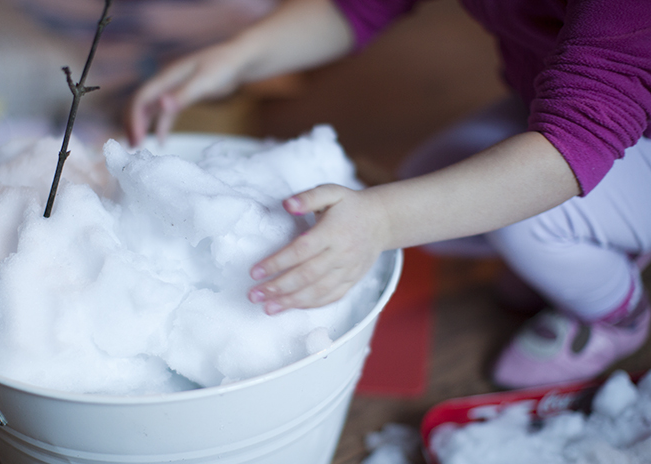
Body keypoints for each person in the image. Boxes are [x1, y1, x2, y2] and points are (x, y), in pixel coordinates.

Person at [124, 0, 651, 389]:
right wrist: (239, 57)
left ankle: (619, 311)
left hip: (607, 136)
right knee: (436, 181)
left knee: (527, 219)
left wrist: (382, 221)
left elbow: (566, 152)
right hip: (573, 109)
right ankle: (589, 245)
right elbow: (358, 6)